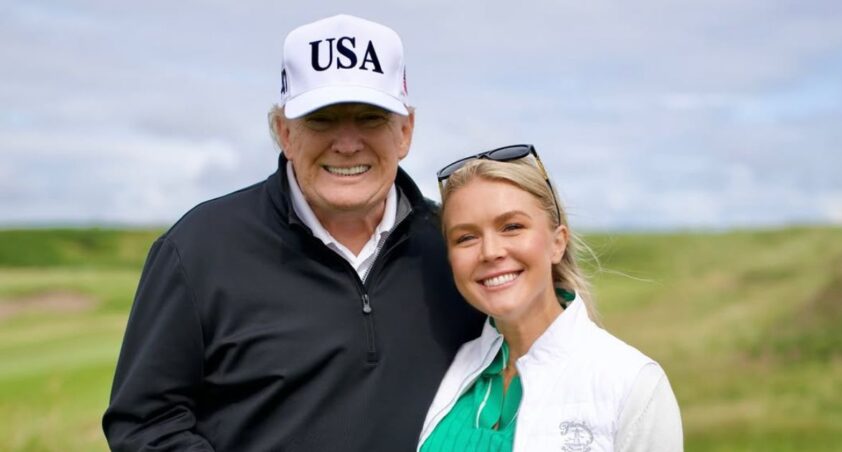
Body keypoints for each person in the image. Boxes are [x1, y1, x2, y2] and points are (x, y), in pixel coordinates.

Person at [103, 14, 483, 451]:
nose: (347, 144)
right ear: (284, 132)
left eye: (370, 118)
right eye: (321, 120)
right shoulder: (198, 249)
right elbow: (145, 424)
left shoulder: (457, 247)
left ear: (405, 132)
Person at [417, 145, 683, 451]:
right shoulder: (448, 369)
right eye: (466, 237)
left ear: (558, 243)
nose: (490, 252)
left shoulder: (633, 384)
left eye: (512, 227)